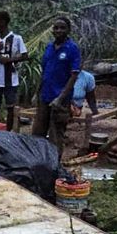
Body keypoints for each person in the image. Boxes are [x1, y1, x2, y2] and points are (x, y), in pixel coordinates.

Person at [32, 16, 82, 158]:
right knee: (37, 133)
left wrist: (60, 98)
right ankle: (37, 162)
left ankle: (54, 166)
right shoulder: (49, 47)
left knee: (56, 135)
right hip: (45, 97)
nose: (58, 30)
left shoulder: (72, 49)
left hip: (60, 100)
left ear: (68, 30)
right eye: (56, 27)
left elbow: (74, 75)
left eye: (62, 28)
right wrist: (37, 93)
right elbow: (44, 72)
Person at [0, 10, 28, 130]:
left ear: (3, 22)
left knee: (10, 108)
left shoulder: (16, 38)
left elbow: (25, 56)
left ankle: (8, 134)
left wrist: (9, 60)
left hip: (11, 80)